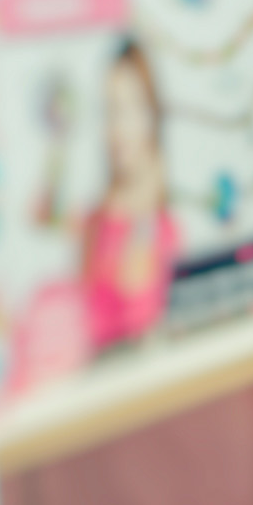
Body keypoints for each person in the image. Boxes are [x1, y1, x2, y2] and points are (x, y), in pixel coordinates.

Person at [82, 40, 179, 349]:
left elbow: (139, 320)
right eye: (110, 110)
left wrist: (143, 216)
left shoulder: (162, 226)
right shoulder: (91, 222)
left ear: (152, 116)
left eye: (130, 109)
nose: (117, 127)